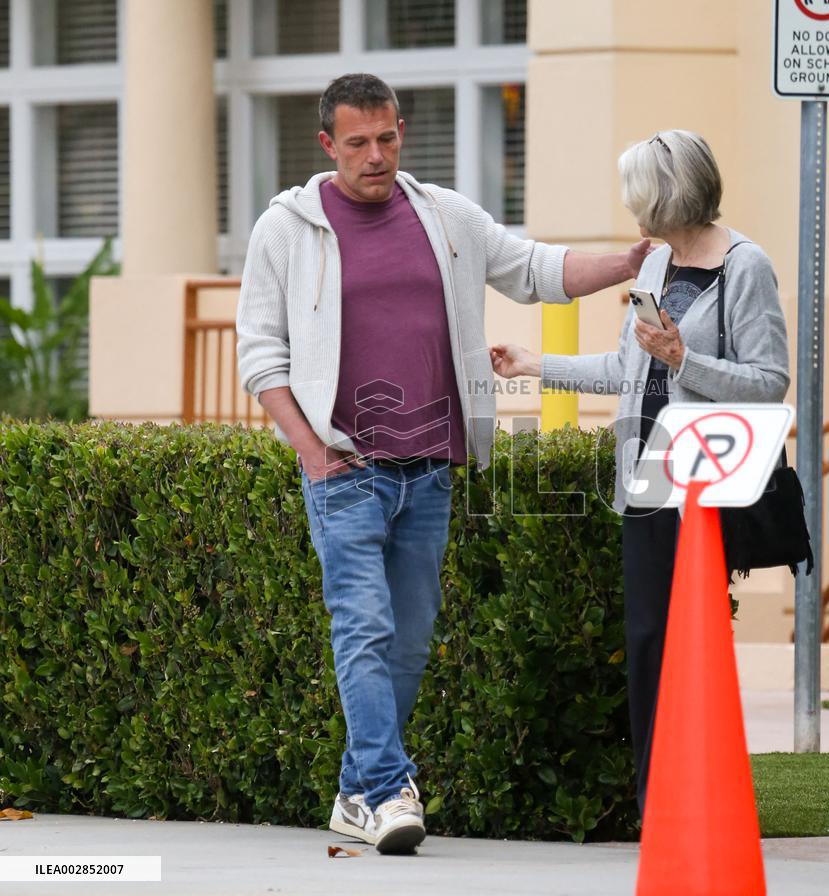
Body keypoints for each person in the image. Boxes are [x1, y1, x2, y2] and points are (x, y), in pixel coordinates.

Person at [236, 73, 651, 854]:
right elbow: (261, 354)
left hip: (429, 465)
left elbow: (537, 269)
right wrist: (310, 449)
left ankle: (358, 791)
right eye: (357, 142)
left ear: (401, 132)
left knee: (410, 638)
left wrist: (628, 261)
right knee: (361, 628)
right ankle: (391, 790)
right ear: (327, 144)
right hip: (345, 468)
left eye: (387, 137)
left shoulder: (443, 216)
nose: (375, 155)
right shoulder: (286, 230)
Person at [490, 130, 790, 815]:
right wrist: (535, 365)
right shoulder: (654, 269)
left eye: (638, 193)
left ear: (672, 193)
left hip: (707, 476)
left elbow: (769, 381)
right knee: (650, 638)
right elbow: (626, 369)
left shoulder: (745, 267)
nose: (631, 208)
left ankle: (702, 799)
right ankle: (662, 801)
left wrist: (686, 360)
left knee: (696, 640)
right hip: (648, 475)